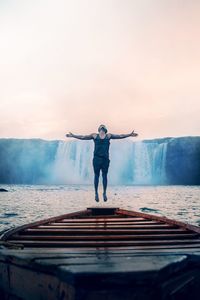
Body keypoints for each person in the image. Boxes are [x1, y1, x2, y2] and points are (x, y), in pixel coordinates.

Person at [66, 125, 138, 202]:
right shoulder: (94, 135)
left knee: (104, 176)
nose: (102, 128)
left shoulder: (108, 136)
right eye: (101, 127)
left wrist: (129, 134)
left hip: (105, 159)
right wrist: (73, 135)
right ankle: (96, 193)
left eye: (103, 128)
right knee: (96, 176)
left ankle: (104, 193)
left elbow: (120, 136)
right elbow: (83, 137)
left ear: (105, 130)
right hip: (97, 159)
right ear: (99, 129)